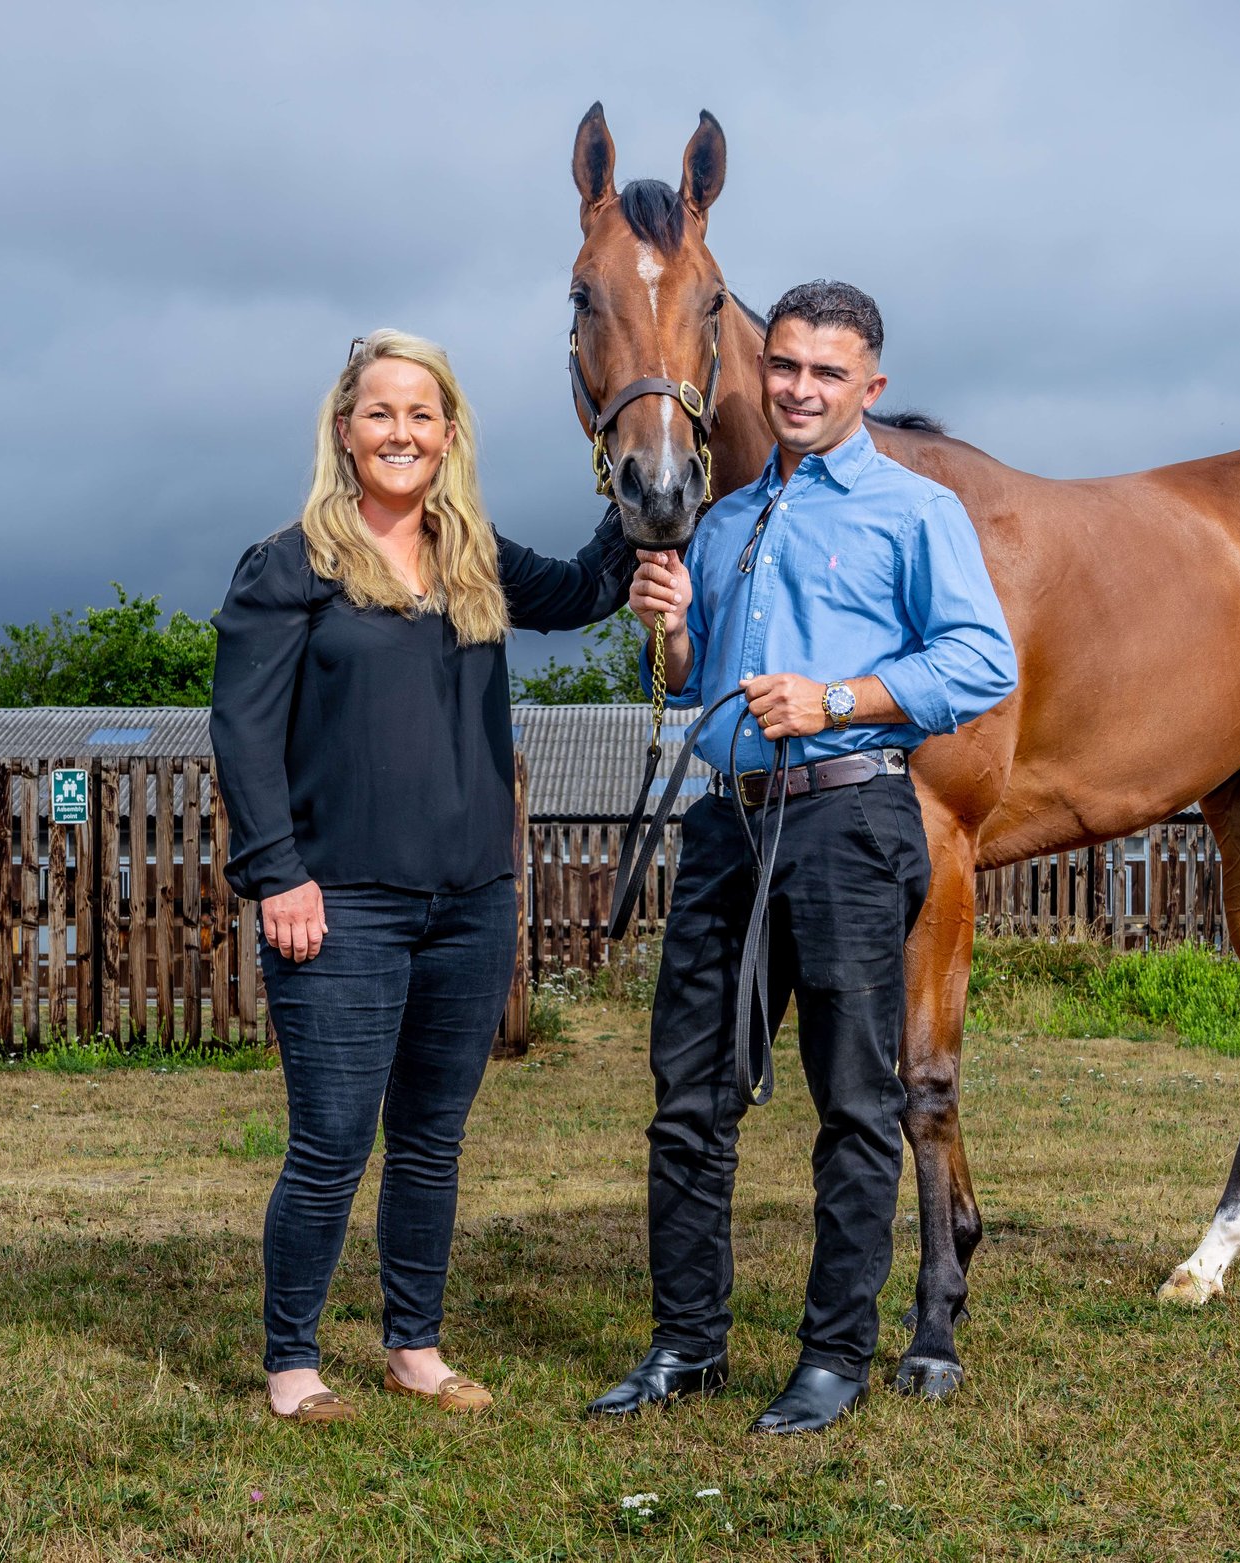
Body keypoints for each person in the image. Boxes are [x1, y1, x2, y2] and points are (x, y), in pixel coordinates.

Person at [588, 281, 1017, 1434]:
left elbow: (984, 661)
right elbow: (688, 687)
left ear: (868, 386)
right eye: (784, 367)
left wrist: (837, 697)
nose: (799, 390)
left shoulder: (912, 510)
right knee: (689, 1097)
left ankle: (833, 1354)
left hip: (849, 824)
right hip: (727, 823)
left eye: (827, 373)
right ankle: (686, 1343)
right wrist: (671, 633)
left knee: (854, 1103)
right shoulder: (721, 521)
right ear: (758, 368)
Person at [211, 330, 630, 1423]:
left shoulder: (473, 554)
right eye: (379, 413)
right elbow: (243, 735)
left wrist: (634, 467)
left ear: (449, 436)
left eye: (422, 414)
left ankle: (413, 1347)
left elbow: (589, 589)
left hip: (471, 904)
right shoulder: (289, 563)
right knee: (333, 1144)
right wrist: (277, 880)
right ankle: (293, 1362)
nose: (401, 432)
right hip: (338, 905)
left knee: (432, 1143)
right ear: (344, 431)